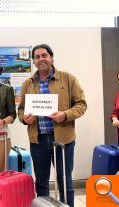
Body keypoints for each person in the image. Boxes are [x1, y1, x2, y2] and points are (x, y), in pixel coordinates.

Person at [17, 44, 87, 207]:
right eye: (37, 57)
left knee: (65, 181)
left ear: (51, 57)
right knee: (41, 182)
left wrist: (65, 115)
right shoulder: (28, 83)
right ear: (33, 61)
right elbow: (21, 110)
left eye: (44, 55)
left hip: (63, 140)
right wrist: (24, 118)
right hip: (38, 140)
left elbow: (81, 104)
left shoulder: (67, 78)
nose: (41, 59)